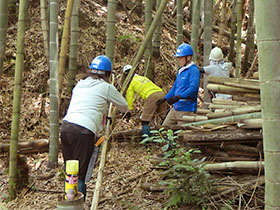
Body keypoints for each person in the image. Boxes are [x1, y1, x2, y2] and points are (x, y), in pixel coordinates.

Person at [60, 55, 128, 200]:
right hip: (83, 131)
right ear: (108, 74)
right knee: (80, 174)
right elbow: (124, 107)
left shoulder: (80, 83)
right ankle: (78, 205)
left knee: (70, 172)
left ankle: (69, 203)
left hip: (66, 127)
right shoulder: (106, 87)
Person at [157, 43, 200, 126]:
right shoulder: (181, 70)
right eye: (178, 58)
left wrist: (178, 97)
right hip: (176, 107)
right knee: (164, 129)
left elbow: (193, 88)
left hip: (186, 109)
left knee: (183, 134)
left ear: (188, 57)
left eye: (180, 58)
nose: (178, 60)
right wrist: (165, 98)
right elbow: (175, 88)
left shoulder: (193, 70)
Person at [123, 64, 168, 136]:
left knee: (145, 120)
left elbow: (129, 97)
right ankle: (167, 136)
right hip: (161, 93)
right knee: (164, 117)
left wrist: (129, 110)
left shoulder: (131, 82)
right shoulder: (143, 77)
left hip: (151, 96)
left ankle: (147, 142)